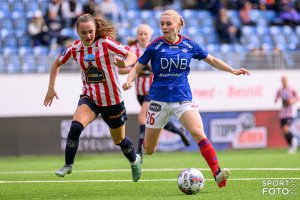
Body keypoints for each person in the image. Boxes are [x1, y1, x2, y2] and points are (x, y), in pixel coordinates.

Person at [122, 10, 250, 188]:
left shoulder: (189, 45)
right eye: (162, 24)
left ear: (178, 25)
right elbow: (137, 67)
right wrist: (129, 81)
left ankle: (217, 173)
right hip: (158, 101)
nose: (164, 27)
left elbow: (211, 59)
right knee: (149, 150)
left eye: (168, 23)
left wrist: (232, 70)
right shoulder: (155, 45)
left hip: (182, 98)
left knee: (198, 132)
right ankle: (136, 159)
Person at [43, 13, 141, 182]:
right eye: (84, 33)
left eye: (91, 31)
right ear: (77, 32)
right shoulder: (74, 49)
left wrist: (124, 64)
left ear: (96, 30)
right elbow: (56, 63)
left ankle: (134, 160)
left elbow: (132, 55)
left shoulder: (106, 44)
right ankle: (68, 164)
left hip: (113, 101)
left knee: (119, 140)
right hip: (90, 98)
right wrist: (51, 87)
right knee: (75, 127)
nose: (88, 36)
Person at [118, 24, 191, 162]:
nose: (143, 36)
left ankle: (138, 152)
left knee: (142, 118)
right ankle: (179, 132)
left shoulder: (156, 47)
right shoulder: (132, 50)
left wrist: (151, 67)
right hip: (139, 91)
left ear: (150, 36)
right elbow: (120, 70)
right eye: (140, 34)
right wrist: (136, 68)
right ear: (137, 36)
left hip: (153, 90)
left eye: (145, 34)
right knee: (158, 119)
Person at [274, 75, 299, 154]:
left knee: (286, 128)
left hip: (290, 112)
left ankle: (294, 141)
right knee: (283, 131)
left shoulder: (291, 89)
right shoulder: (280, 90)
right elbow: (276, 98)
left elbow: (297, 97)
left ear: (287, 80)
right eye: (282, 80)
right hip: (283, 113)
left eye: (285, 80)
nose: (284, 81)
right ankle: (291, 145)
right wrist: (277, 99)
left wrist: (292, 101)